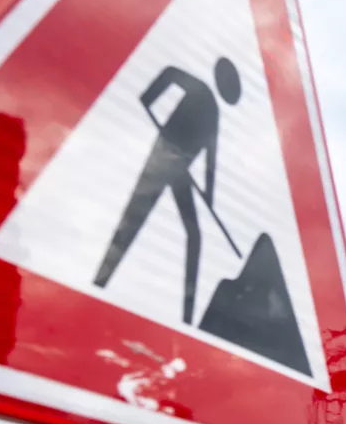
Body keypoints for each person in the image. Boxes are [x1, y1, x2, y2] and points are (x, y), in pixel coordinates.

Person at [94, 57, 243, 323]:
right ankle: (99, 281)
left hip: (180, 169)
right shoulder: (201, 91)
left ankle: (187, 318)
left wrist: (209, 198)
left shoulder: (214, 114)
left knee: (194, 234)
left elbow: (211, 159)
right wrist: (148, 98)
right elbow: (170, 73)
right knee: (135, 216)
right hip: (164, 156)